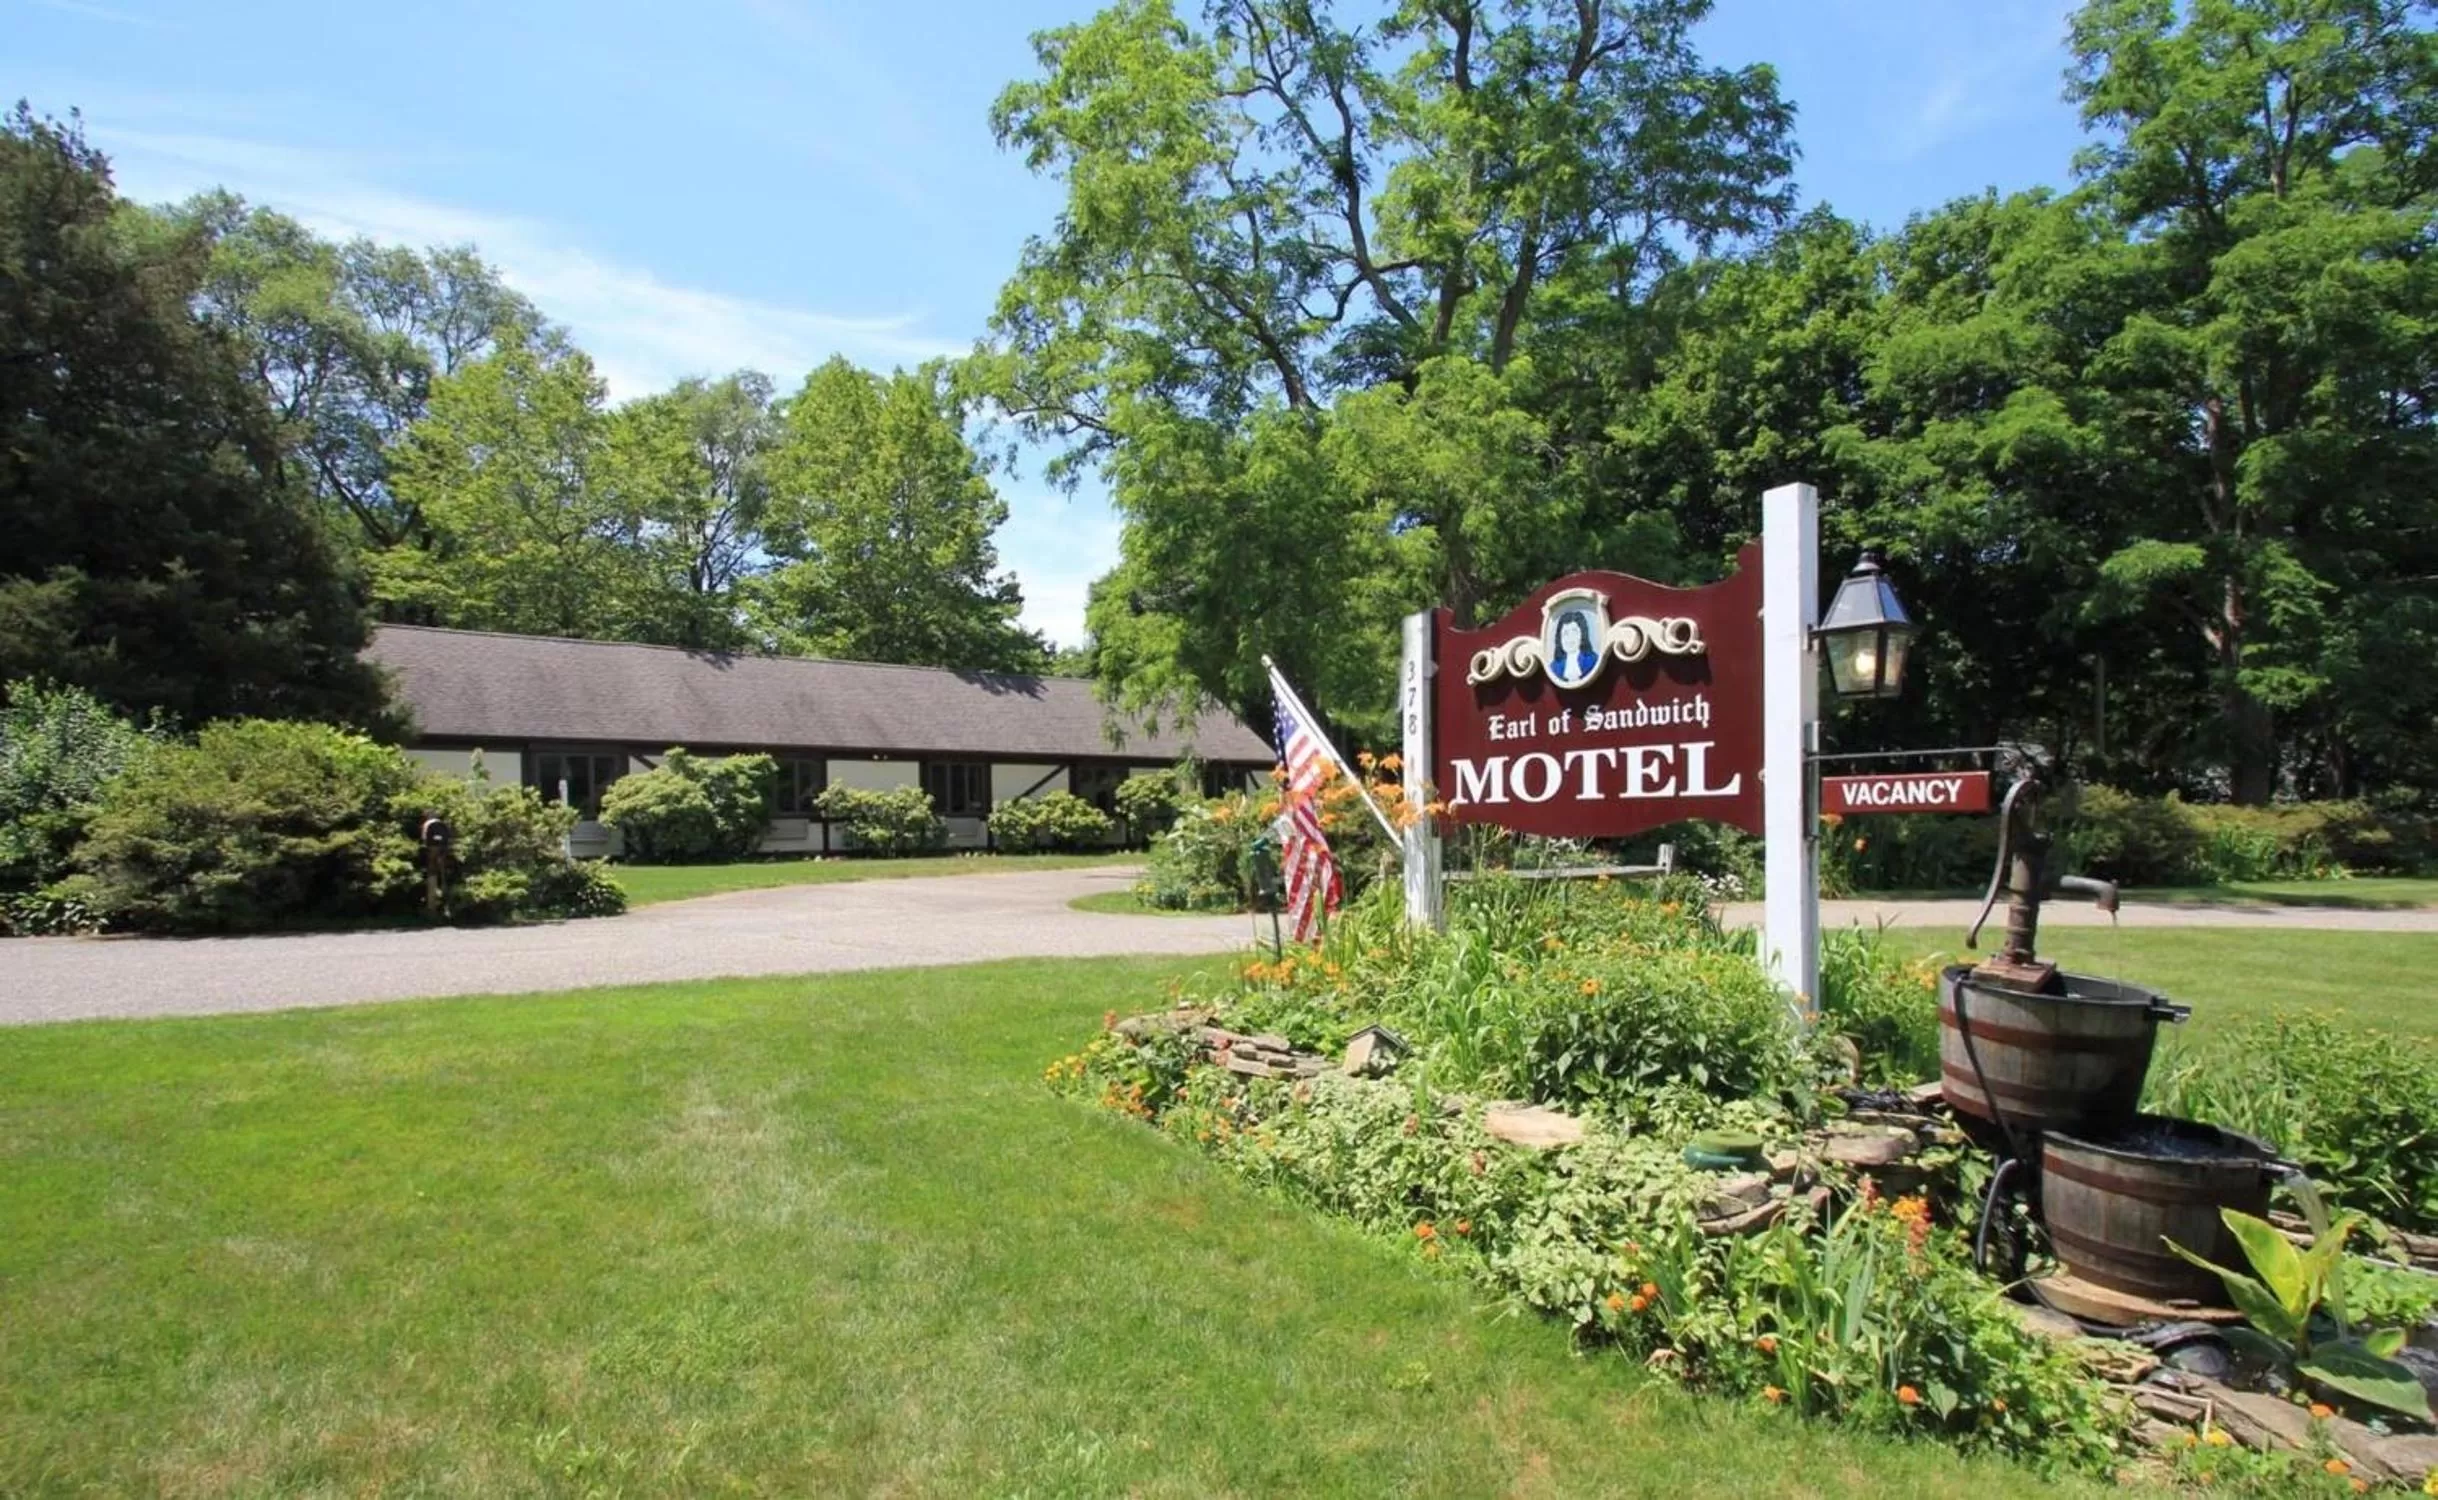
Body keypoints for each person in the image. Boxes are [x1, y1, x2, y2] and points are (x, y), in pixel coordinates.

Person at [1550, 610, 1599, 685]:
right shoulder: (1554, 667)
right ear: (1559, 638)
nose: (1570, 638)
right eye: (1565, 633)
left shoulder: (1593, 660)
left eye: (1574, 632)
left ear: (1582, 634)